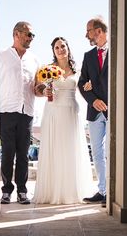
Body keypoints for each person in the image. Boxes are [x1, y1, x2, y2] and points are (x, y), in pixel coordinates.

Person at [33, 37, 94, 204]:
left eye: (63, 46)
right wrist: (44, 90)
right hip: (53, 112)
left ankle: (70, 190)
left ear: (68, 48)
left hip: (71, 112)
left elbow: (85, 88)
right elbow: (38, 89)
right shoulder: (47, 70)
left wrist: (90, 87)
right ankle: (53, 191)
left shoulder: (79, 71)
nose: (60, 49)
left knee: (70, 149)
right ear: (54, 51)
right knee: (55, 148)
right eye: (57, 47)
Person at [0, 21, 39, 204]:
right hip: (6, 110)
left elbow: (36, 88)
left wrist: (44, 88)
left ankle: (22, 191)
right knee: (7, 152)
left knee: (23, 153)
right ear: (16, 34)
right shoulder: (0, 56)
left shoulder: (35, 60)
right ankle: (6, 191)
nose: (31, 38)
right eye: (28, 34)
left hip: (27, 112)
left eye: (32, 35)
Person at [78, 17, 109, 207]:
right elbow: (82, 83)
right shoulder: (88, 56)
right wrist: (93, 100)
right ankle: (103, 190)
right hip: (94, 111)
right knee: (97, 152)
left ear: (98, 31)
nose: (86, 34)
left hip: (114, 110)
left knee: (111, 152)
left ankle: (114, 192)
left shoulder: (118, 50)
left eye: (88, 30)